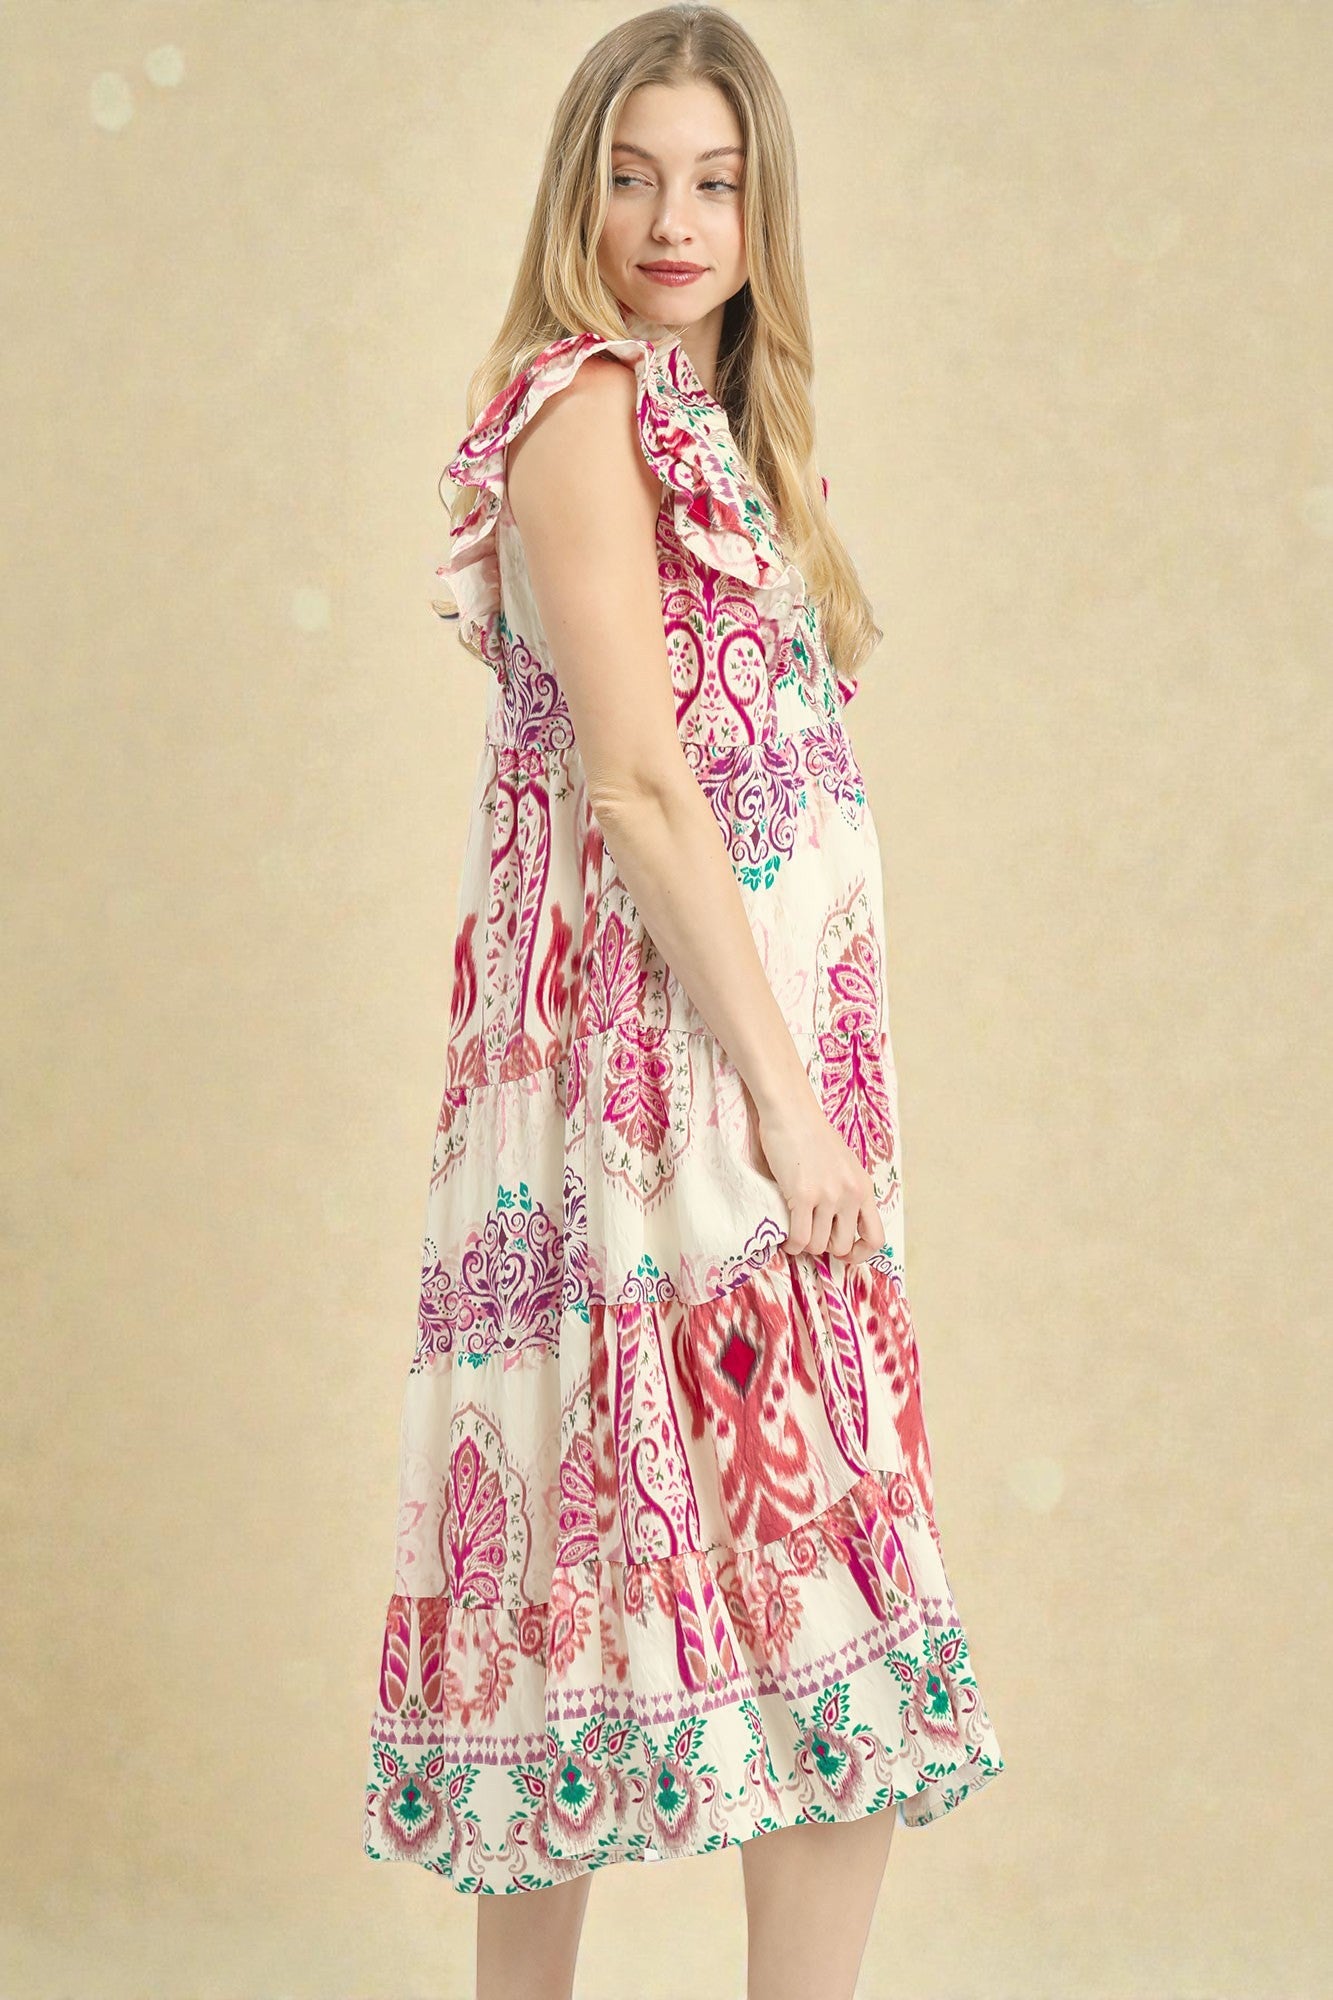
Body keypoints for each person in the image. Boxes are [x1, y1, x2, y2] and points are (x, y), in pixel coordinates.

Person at [363, 7, 1005, 1996]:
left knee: (777, 1593)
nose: (672, 217)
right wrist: (789, 1105)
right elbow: (636, 787)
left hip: (745, 1087)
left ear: (759, 207)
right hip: (664, 1104)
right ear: (580, 190)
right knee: (639, 1581)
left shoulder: (722, 429)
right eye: (634, 172)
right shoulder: (578, 410)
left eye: (714, 179)